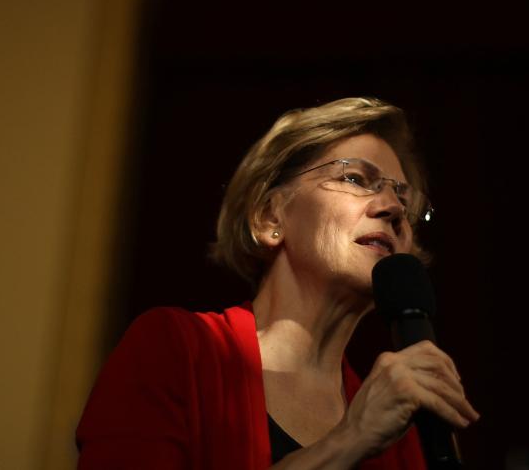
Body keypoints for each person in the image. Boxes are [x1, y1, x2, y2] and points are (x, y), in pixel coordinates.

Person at [75, 97, 479, 469]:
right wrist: (350, 439)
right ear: (270, 218)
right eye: (356, 178)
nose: (392, 208)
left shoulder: (404, 426)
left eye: (404, 202)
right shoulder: (176, 349)